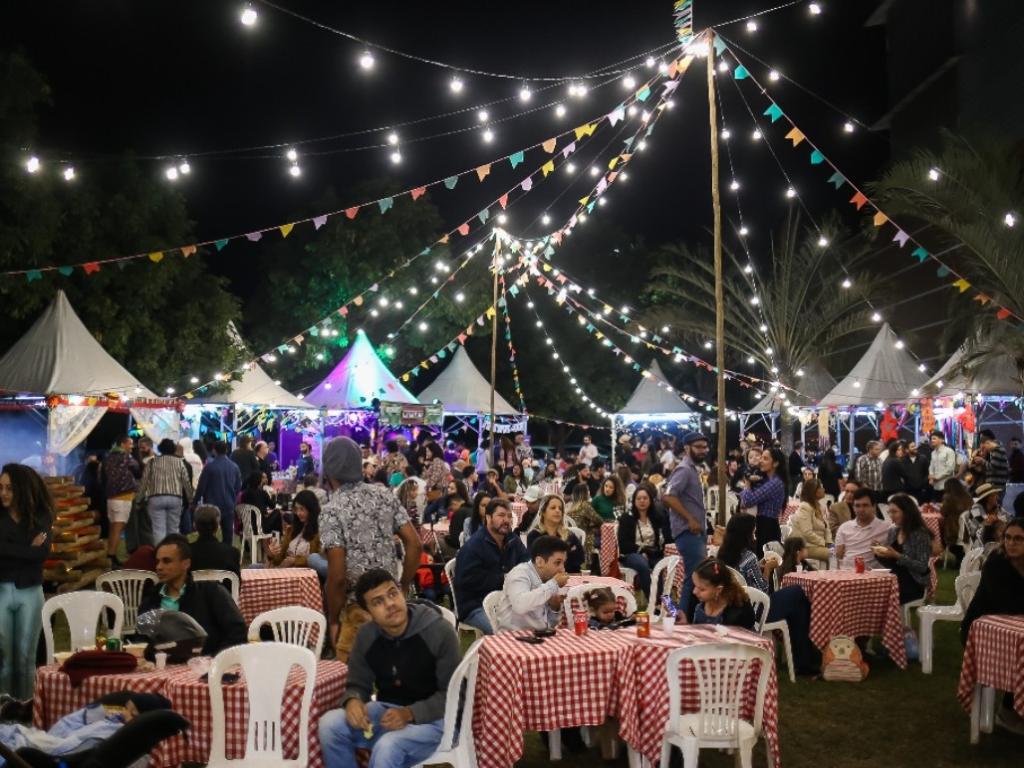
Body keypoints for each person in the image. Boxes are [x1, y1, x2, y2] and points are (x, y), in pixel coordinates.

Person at [317, 568, 459, 768]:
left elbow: (454, 695)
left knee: (388, 746)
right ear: (368, 613)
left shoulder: (440, 631)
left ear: (402, 592)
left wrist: (409, 713)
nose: (390, 604)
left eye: (392, 593)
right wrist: (353, 700)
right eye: (378, 602)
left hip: (438, 720)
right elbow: (357, 683)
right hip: (387, 712)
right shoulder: (366, 636)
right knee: (329, 725)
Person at [319, 437, 422, 662]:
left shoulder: (331, 510)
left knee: (357, 678)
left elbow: (337, 577)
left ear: (328, 470)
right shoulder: (384, 495)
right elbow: (415, 544)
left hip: (357, 612)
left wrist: (333, 620)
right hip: (391, 604)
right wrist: (403, 586)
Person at [714, 517, 817, 673]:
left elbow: (742, 578)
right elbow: (763, 591)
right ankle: (804, 658)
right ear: (746, 534)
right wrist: (768, 569)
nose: (755, 536)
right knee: (797, 594)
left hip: (733, 609)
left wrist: (758, 567)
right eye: (753, 533)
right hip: (755, 611)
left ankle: (802, 657)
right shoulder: (749, 557)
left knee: (797, 603)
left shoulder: (722, 555)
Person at [138, 534, 247, 655]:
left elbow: (237, 632)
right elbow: (142, 641)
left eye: (166, 561)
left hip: (208, 662)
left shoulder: (211, 592)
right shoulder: (150, 600)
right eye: (157, 561)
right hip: (162, 664)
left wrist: (215, 659)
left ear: (186, 564)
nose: (159, 567)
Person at [0, 464, 54, 700]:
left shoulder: (41, 515)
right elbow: (30, 553)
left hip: (30, 590)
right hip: (2, 589)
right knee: (3, 657)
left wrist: (9, 550)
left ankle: (25, 706)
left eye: (10, 488)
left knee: (26, 656)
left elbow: (41, 553)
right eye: (1, 487)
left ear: (22, 489)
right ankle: (4, 709)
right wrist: (27, 549)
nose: (3, 493)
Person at [453, 498, 529, 634]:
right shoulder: (473, 547)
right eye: (501, 515)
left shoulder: (513, 540)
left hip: (508, 601)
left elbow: (527, 563)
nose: (506, 520)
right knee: (504, 633)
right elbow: (467, 581)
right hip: (475, 605)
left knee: (535, 623)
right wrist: (504, 579)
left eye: (509, 516)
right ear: (488, 518)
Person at [663, 432, 709, 615]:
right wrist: (690, 519)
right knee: (694, 577)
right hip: (687, 532)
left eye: (705, 447)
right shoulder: (684, 469)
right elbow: (668, 497)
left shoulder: (692, 469)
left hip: (695, 531)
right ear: (687, 448)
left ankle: (682, 615)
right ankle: (681, 616)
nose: (703, 450)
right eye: (698, 447)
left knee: (694, 576)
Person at [961, 518, 1024, 642]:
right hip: (983, 627)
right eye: (1007, 537)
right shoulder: (996, 563)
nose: (1011, 543)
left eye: (1018, 538)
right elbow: (1006, 604)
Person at [493, 535, 569, 631]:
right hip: (513, 635)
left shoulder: (548, 578)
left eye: (563, 563)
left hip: (537, 635)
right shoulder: (519, 573)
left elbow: (548, 625)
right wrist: (554, 584)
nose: (562, 569)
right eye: (557, 563)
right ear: (539, 561)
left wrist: (554, 608)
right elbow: (520, 605)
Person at [874, 494, 933, 605]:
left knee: (883, 596)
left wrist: (897, 555)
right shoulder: (893, 531)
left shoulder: (920, 534)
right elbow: (892, 564)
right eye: (889, 512)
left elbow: (922, 567)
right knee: (874, 591)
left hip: (914, 582)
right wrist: (879, 553)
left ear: (907, 512)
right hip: (896, 578)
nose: (891, 515)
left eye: (894, 512)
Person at [136, 438, 193, 544]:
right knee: (173, 529)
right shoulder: (179, 462)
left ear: (160, 449)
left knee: (158, 530)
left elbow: (144, 482)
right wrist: (190, 500)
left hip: (155, 497)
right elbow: (186, 482)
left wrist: (139, 500)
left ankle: (160, 551)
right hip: (175, 497)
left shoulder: (152, 462)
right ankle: (172, 551)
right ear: (173, 449)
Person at [617, 482, 665, 597]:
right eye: (638, 498)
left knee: (661, 566)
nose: (642, 501)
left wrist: (653, 551)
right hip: (631, 553)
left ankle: (666, 603)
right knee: (643, 565)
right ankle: (653, 601)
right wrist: (642, 550)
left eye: (645, 498)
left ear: (650, 500)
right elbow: (623, 544)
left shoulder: (656, 517)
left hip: (653, 553)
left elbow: (661, 540)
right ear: (634, 501)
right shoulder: (627, 518)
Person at [680, 558, 755, 630]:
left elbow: (744, 636)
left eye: (702, 589)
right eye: (695, 585)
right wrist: (685, 623)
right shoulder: (696, 598)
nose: (694, 591)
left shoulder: (739, 611)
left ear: (719, 589)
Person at [193, 440, 243, 547]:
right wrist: (233, 498)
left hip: (211, 506)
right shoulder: (234, 467)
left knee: (209, 533)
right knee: (228, 534)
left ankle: (211, 552)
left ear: (214, 451)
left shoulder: (209, 467)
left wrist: (194, 502)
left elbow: (201, 487)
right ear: (227, 450)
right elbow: (238, 486)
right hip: (229, 504)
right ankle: (226, 553)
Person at [739, 447, 788, 553]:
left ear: (775, 463)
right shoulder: (765, 480)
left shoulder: (775, 483)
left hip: (768, 527)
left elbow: (748, 501)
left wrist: (747, 483)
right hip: (762, 524)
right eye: (761, 457)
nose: (760, 461)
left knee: (765, 559)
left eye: (765, 459)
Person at [266, 488, 322, 576]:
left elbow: (319, 562)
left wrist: (295, 561)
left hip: (303, 576)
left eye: (302, 509)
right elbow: (279, 559)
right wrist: (271, 554)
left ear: (311, 510)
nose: (298, 513)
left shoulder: (319, 533)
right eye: (296, 509)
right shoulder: (291, 530)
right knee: (253, 567)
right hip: (284, 571)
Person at [834, 488, 893, 570]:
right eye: (857, 506)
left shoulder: (887, 528)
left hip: (873, 574)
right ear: (853, 507)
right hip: (847, 572)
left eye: (865, 505)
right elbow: (839, 556)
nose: (861, 509)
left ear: (874, 507)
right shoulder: (844, 527)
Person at [102, 435, 140, 558]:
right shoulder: (125, 456)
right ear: (123, 444)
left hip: (111, 497)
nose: (132, 446)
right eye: (130, 443)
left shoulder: (108, 457)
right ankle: (111, 556)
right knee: (118, 528)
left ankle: (110, 554)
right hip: (123, 496)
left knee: (113, 527)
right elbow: (137, 467)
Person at [527, 495, 585, 573]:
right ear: (543, 512)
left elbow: (580, 558)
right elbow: (537, 563)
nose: (557, 511)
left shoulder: (569, 535)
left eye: (560, 508)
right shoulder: (535, 535)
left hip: (570, 575)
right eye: (553, 508)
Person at [188, 505, 241, 577]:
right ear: (217, 526)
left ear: (195, 526)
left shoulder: (186, 552)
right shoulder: (232, 553)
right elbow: (236, 581)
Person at [788, 479, 832, 562]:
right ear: (814, 491)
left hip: (817, 545)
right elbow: (807, 533)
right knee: (834, 554)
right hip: (804, 546)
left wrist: (829, 542)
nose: (824, 489)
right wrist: (824, 543)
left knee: (838, 552)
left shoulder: (821, 507)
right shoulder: (805, 507)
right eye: (821, 487)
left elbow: (827, 528)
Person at [962, 482, 1007, 550]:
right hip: (977, 543)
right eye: (994, 495)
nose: (997, 497)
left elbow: (1008, 519)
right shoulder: (976, 508)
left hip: (994, 540)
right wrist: (997, 520)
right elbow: (984, 524)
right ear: (988, 498)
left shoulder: (997, 508)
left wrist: (997, 519)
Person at [938, 480, 973, 562]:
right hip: (968, 529)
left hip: (953, 531)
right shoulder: (968, 496)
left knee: (939, 528)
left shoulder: (948, 497)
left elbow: (943, 512)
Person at [928, 430, 957, 499]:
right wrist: (931, 475)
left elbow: (950, 468)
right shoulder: (933, 453)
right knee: (937, 504)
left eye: (934, 438)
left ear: (942, 440)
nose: (932, 440)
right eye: (931, 439)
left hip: (946, 485)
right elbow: (931, 466)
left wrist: (936, 477)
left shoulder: (949, 451)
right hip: (935, 486)